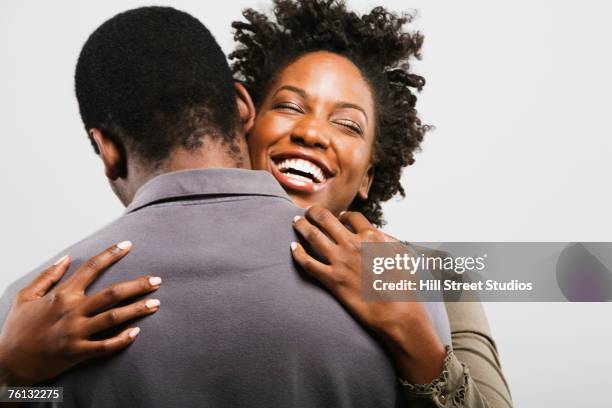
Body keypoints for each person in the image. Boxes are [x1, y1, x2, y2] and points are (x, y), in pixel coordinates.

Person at [0, 1, 512, 407]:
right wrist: (11, 372)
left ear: (369, 177)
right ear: (244, 115)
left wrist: (412, 333)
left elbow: (55, 398)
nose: (311, 132)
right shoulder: (58, 308)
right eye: (289, 106)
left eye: (348, 123)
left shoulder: (425, 280)